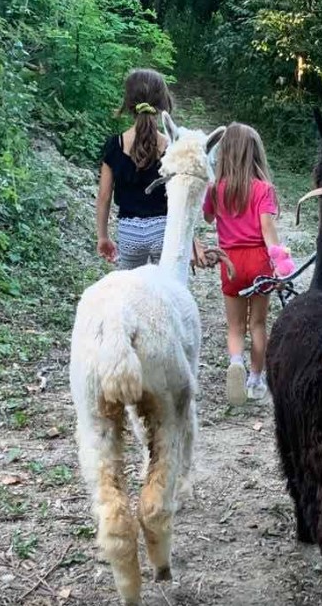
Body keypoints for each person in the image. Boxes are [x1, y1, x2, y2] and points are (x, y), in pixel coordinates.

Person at [203, 123, 294, 405]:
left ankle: (235, 363)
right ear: (255, 153)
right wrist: (280, 262)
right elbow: (267, 230)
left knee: (234, 326)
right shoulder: (263, 189)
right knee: (257, 324)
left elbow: (207, 217)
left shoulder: (216, 189)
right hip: (258, 262)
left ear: (225, 153)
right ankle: (255, 379)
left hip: (230, 262)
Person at [96, 68, 192, 269]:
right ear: (163, 101)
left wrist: (102, 236)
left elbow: (104, 196)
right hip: (163, 231)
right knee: (164, 285)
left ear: (128, 102)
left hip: (129, 232)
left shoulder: (114, 145)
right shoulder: (172, 147)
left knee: (129, 285)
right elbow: (181, 197)